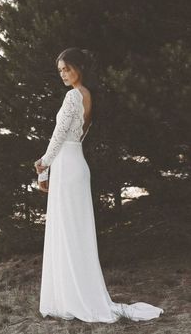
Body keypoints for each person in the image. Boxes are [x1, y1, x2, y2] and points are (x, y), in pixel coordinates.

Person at [34, 47, 164, 323]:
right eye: (60, 71)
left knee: (69, 232)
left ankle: (73, 297)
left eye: (67, 68)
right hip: (76, 164)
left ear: (79, 67)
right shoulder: (88, 96)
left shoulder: (72, 97)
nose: (63, 75)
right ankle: (72, 294)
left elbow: (58, 138)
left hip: (67, 166)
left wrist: (42, 164)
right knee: (74, 232)